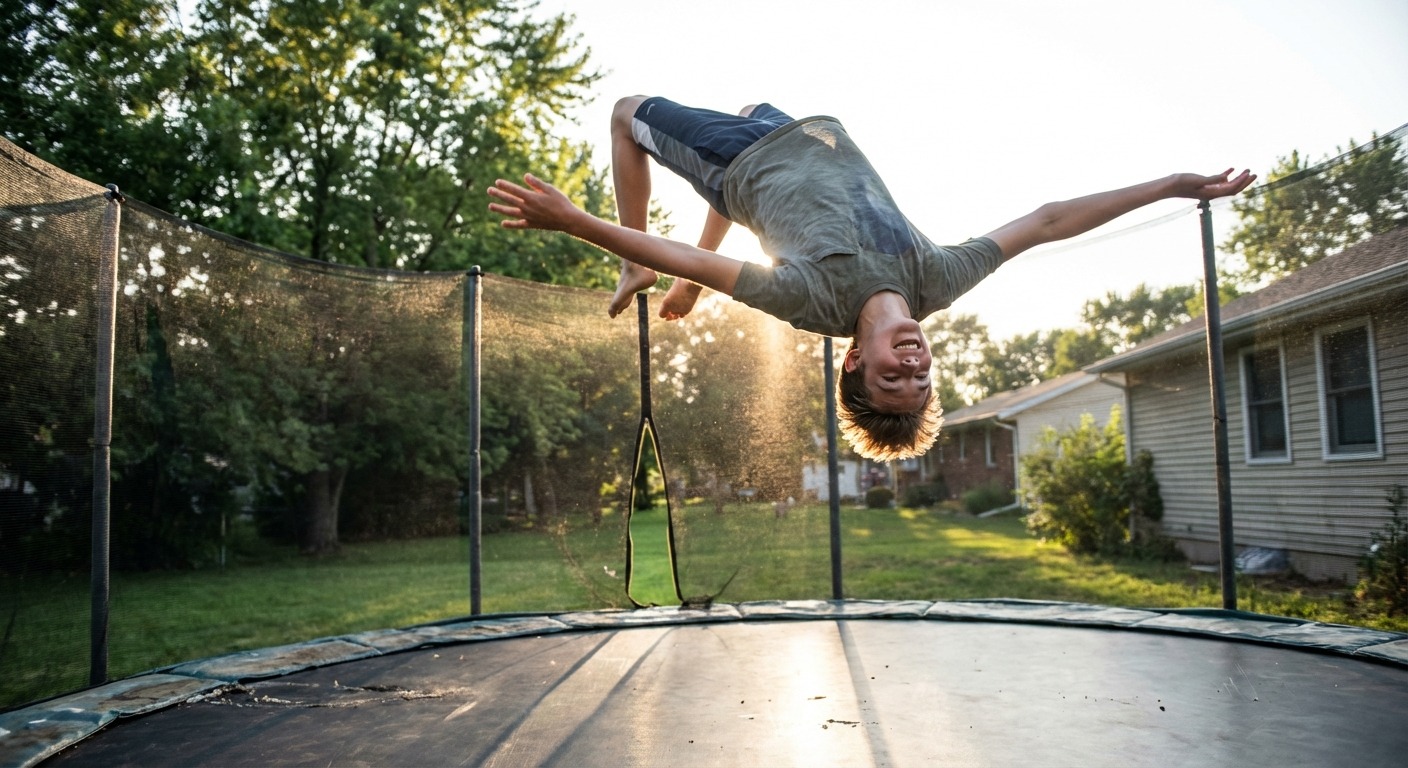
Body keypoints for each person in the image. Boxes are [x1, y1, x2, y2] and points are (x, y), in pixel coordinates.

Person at [487, 96, 1255, 461]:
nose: (915, 368)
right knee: (732, 184)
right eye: (921, 383)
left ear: (855, 361)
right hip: (800, 127)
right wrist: (1169, 185)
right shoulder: (937, 279)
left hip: (742, 156)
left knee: (627, 115)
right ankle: (688, 253)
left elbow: (695, 259)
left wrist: (580, 223)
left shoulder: (809, 301)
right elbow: (1048, 220)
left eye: (894, 381)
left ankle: (632, 271)